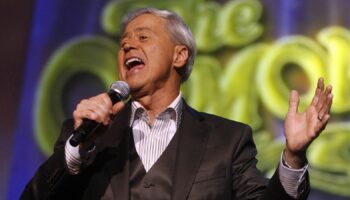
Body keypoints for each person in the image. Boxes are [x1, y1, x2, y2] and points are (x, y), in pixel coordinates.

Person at [21, 7, 333, 200]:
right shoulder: (87, 135)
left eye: (143, 37)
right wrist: (76, 153)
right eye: (124, 42)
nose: (128, 44)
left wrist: (293, 155)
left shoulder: (227, 140)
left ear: (179, 55)